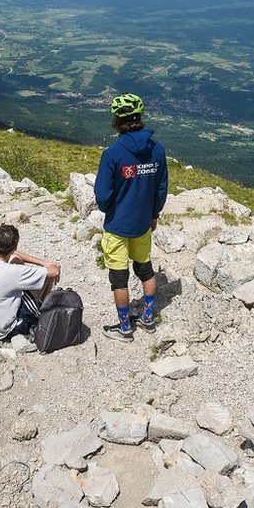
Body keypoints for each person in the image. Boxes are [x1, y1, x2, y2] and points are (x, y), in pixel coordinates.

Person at [94, 93, 169, 341]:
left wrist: (109, 207)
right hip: (143, 223)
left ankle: (125, 327)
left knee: (119, 278)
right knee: (145, 269)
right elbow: (161, 188)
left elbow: (103, 196)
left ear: (116, 121)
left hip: (118, 224)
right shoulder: (157, 150)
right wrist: (154, 214)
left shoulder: (113, 153)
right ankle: (148, 318)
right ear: (139, 117)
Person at [0, 224, 61, 341]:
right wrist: (47, 265)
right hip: (4, 332)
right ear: (15, 247)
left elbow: (15, 255)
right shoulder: (13, 272)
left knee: (15, 260)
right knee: (47, 277)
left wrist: (43, 263)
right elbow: (55, 271)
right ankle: (40, 315)